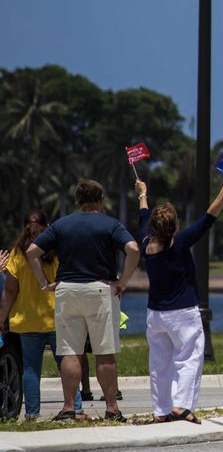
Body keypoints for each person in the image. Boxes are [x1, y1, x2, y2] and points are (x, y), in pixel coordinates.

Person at [27, 179, 139, 422]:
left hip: (67, 290)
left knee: (70, 351)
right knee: (104, 352)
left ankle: (69, 407)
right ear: (100, 200)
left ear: (78, 201)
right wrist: (123, 281)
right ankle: (111, 408)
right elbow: (133, 249)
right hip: (100, 288)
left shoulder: (61, 225)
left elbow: (32, 251)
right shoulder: (110, 224)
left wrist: (44, 282)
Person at [136, 173, 223, 424]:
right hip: (182, 314)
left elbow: (142, 216)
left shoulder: (145, 243)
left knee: (159, 364)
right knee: (189, 358)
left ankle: (161, 411)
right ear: (174, 226)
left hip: (155, 314)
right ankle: (181, 405)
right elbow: (209, 218)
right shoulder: (179, 243)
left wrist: (142, 194)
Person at [0, 213, 83, 420]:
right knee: (66, 363)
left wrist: (1, 318)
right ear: (47, 226)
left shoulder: (18, 254)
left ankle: (32, 414)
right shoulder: (57, 250)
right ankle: (75, 408)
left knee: (30, 369)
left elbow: (10, 291)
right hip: (58, 318)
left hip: (28, 320)